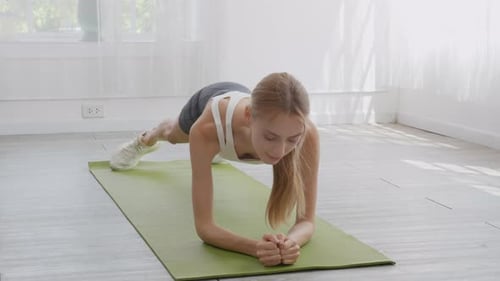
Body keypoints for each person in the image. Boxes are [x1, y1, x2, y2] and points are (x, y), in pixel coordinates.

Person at [110, 72, 320, 266]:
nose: (280, 151)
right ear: (249, 116)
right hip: (209, 103)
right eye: (270, 137)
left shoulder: (306, 133)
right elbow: (205, 228)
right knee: (172, 134)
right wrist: (256, 248)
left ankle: (218, 151)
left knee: (224, 145)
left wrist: (289, 244)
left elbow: (307, 222)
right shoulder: (206, 129)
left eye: (292, 139)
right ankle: (147, 137)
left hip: (239, 116)